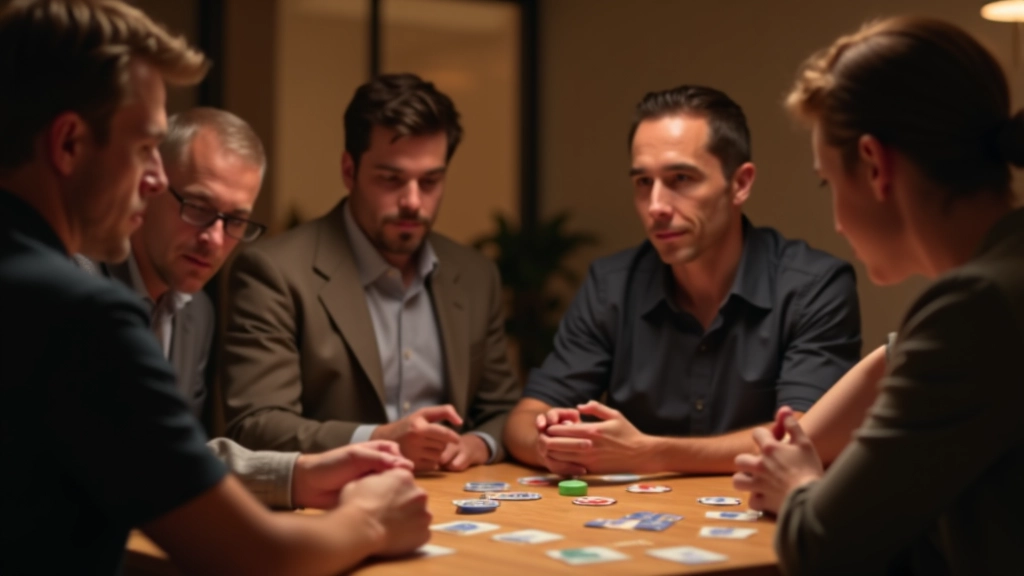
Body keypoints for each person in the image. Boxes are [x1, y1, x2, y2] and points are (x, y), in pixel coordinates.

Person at [0, 1, 429, 574]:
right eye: (144, 148)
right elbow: (255, 557)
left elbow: (145, 457)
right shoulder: (77, 313)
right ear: (69, 144)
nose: (155, 179)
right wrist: (371, 518)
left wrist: (296, 474)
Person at [731, 16, 1024, 575]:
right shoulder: (1001, 282)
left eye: (828, 181)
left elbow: (820, 546)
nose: (837, 222)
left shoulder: (976, 306)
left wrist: (797, 484)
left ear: (874, 165)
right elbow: (902, 359)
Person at [503, 85, 862, 476]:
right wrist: (551, 445)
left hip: (761, 507)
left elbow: (807, 437)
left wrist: (647, 454)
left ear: (740, 183)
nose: (656, 206)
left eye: (681, 178)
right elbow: (523, 420)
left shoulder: (814, 285)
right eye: (644, 182)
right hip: (639, 511)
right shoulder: (611, 285)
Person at [77, 106, 401, 510]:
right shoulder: (80, 283)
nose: (214, 239)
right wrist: (294, 478)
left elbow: (171, 456)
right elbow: (114, 455)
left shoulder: (197, 313)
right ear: (150, 185)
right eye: (198, 207)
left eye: (235, 221)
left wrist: (297, 477)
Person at [221, 73, 520, 472]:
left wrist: (480, 443)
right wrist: (378, 439)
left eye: (430, 181)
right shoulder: (275, 272)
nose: (412, 201)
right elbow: (257, 425)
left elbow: (504, 409)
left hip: (452, 494)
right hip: (334, 497)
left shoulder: (475, 274)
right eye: (391, 179)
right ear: (349, 170)